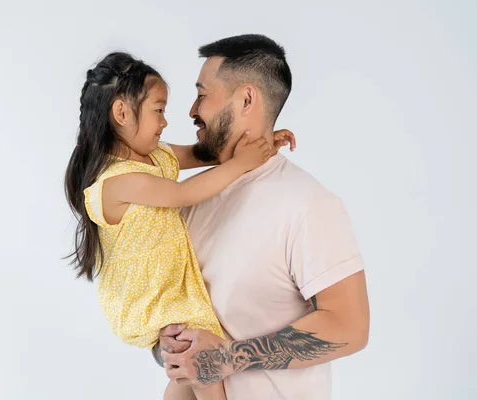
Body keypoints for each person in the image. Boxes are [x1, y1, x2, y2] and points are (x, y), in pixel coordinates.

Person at [64, 51, 296, 400]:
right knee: (205, 367)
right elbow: (184, 193)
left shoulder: (156, 155)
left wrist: (262, 142)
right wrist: (242, 165)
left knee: (184, 377)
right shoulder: (116, 181)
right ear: (122, 113)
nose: (165, 122)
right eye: (158, 110)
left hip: (174, 294)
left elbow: (207, 154)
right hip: (152, 303)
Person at [153, 34, 370, 400]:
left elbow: (350, 325)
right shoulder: (191, 200)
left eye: (202, 94)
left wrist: (227, 359)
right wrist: (167, 347)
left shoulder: (306, 204)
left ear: (246, 99)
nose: (191, 110)